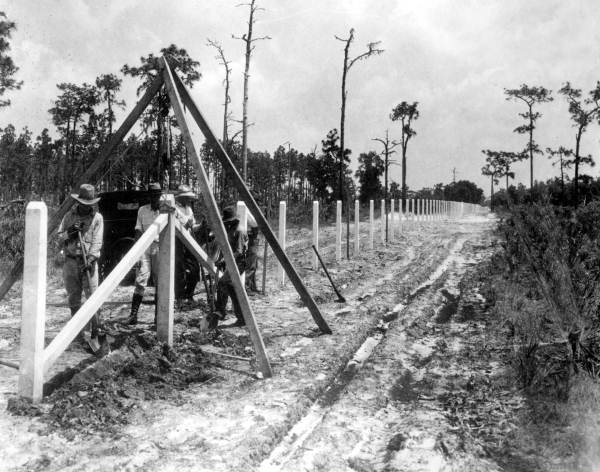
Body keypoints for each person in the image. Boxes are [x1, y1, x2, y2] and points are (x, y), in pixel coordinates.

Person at [58, 184, 104, 346]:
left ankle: (95, 331)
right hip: (70, 261)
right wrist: (70, 232)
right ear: (79, 202)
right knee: (73, 298)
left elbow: (97, 241)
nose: (86, 207)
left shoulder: (97, 218)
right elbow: (59, 238)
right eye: (83, 203)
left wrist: (90, 259)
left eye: (89, 204)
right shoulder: (69, 216)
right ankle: (77, 333)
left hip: (88, 264)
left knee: (93, 297)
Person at [127, 182, 162, 325]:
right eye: (152, 194)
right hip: (145, 248)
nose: (155, 197)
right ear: (149, 195)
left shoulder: (165, 210)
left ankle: (158, 317)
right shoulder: (142, 210)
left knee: (160, 282)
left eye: (157, 194)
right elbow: (138, 231)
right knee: (141, 280)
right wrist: (137, 252)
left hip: (160, 248)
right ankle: (133, 315)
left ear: (160, 195)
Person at [214, 206, 248, 326]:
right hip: (232, 262)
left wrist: (224, 260)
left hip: (239, 262)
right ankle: (221, 311)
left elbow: (239, 251)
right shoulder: (231, 229)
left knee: (226, 284)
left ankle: (227, 312)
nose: (227, 224)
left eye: (229, 222)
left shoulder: (239, 231)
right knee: (226, 285)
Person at [174, 184, 200, 305]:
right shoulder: (173, 208)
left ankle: (189, 295)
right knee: (179, 269)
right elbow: (174, 228)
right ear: (179, 197)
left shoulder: (189, 208)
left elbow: (193, 226)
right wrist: (186, 225)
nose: (188, 199)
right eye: (185, 197)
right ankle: (179, 297)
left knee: (194, 267)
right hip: (177, 240)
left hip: (189, 239)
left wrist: (201, 226)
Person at [245, 209, 260, 294]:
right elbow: (255, 223)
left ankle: (252, 286)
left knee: (254, 265)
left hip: (253, 239)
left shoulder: (250, 211)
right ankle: (247, 287)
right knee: (250, 265)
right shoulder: (246, 210)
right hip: (250, 239)